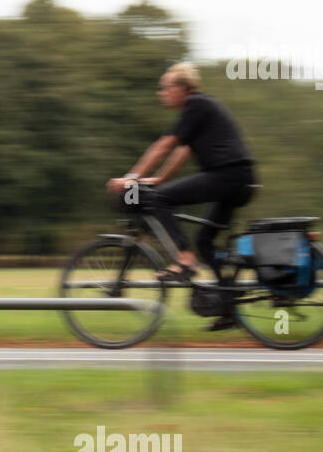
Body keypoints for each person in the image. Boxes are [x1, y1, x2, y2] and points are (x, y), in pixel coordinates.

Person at [106, 62, 255, 331]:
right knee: (205, 240)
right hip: (238, 179)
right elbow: (182, 152)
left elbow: (165, 146)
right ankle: (229, 309)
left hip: (227, 176)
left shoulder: (196, 104)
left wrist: (132, 177)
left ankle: (185, 259)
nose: (160, 93)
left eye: (165, 87)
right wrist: (159, 179)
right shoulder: (198, 110)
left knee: (159, 199)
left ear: (182, 88)